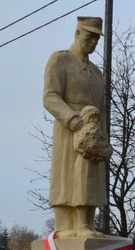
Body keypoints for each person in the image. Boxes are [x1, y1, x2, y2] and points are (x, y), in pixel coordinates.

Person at [43, 16, 110, 238]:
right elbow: (50, 96)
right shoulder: (60, 60)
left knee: (90, 178)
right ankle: (66, 226)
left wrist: (104, 139)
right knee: (68, 177)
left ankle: (87, 224)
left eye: (96, 39)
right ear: (78, 33)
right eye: (89, 36)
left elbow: (102, 108)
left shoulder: (97, 73)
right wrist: (70, 117)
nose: (93, 42)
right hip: (68, 129)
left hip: (93, 133)